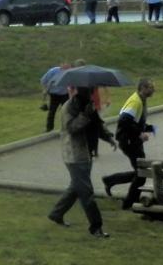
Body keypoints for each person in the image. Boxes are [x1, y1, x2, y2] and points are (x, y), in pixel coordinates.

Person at [47, 87, 117, 237]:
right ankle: (96, 227)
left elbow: (97, 124)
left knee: (76, 187)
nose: (91, 93)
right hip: (74, 155)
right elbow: (71, 128)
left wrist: (109, 137)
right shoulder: (69, 106)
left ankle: (56, 213)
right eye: (88, 90)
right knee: (86, 193)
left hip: (86, 153)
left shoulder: (89, 103)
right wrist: (85, 114)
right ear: (80, 90)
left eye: (91, 90)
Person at [102, 78, 156, 210]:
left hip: (132, 140)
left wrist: (147, 128)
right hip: (128, 141)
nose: (153, 89)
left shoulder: (141, 99)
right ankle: (129, 203)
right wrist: (139, 133)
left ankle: (111, 180)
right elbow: (125, 121)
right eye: (151, 87)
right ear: (143, 88)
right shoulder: (135, 101)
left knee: (141, 172)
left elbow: (134, 121)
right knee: (142, 173)